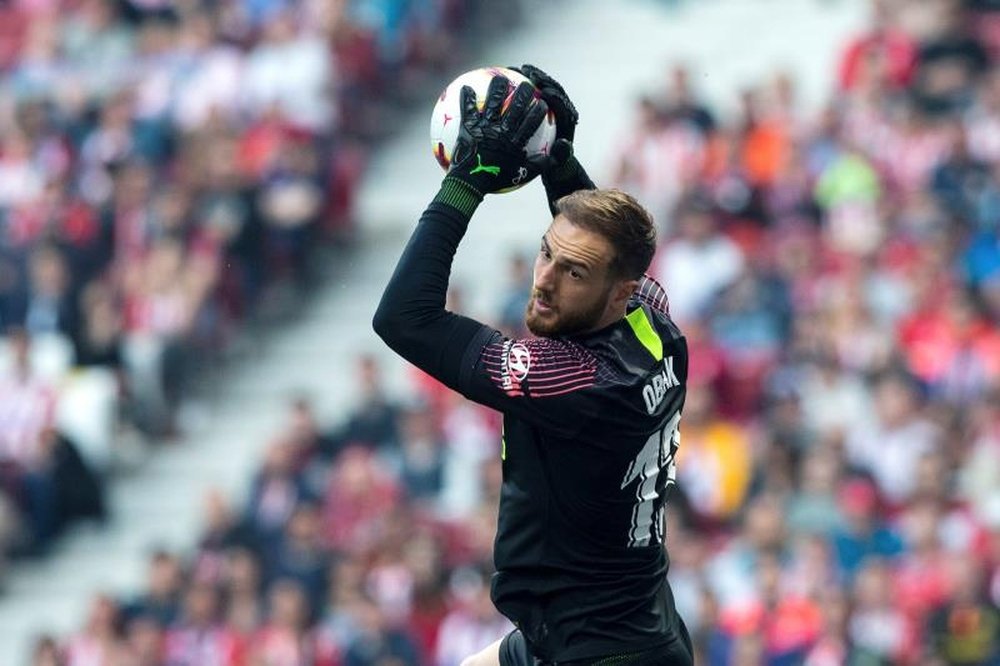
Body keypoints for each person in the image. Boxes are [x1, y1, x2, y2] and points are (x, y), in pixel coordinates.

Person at [373, 65, 692, 665]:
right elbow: (602, 248)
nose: (542, 283)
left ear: (616, 291)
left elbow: (403, 319)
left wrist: (467, 180)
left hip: (600, 651)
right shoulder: (656, 323)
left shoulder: (572, 379)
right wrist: (557, 161)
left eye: (571, 274)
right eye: (545, 254)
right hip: (601, 628)